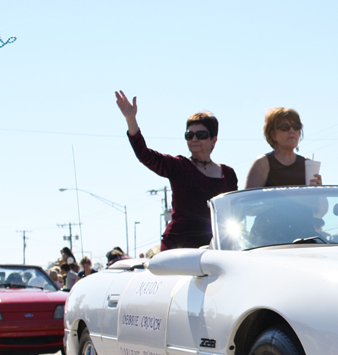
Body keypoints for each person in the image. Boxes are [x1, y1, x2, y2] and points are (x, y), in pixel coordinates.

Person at [115, 91, 238, 250]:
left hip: (216, 246)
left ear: (213, 140)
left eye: (200, 135)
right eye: (189, 135)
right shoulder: (179, 166)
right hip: (179, 246)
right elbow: (145, 155)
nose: (194, 139)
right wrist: (131, 120)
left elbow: (235, 212)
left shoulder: (228, 174)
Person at [244, 107, 322, 188]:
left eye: (296, 127)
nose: (292, 131)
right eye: (285, 127)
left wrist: (318, 191)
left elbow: (320, 201)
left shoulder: (307, 164)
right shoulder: (263, 163)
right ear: (273, 135)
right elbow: (247, 199)